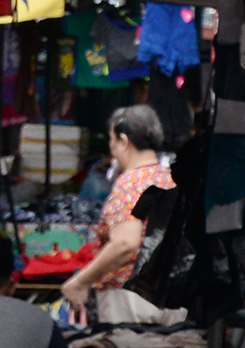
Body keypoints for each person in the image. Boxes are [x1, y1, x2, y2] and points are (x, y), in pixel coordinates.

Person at [60, 105, 179, 304]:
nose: (111, 148)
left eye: (111, 139)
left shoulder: (131, 184)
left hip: (130, 298)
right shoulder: (167, 178)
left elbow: (125, 243)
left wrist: (81, 281)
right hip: (168, 294)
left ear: (123, 141)